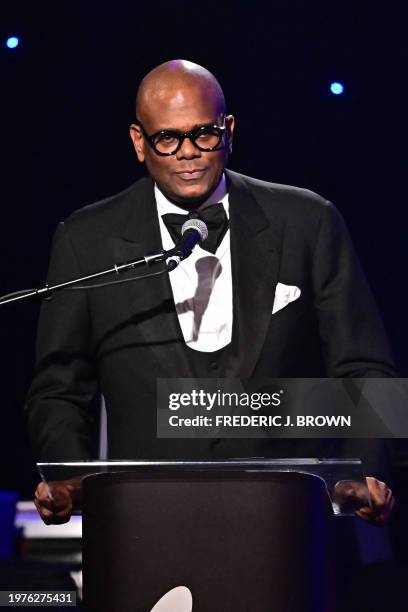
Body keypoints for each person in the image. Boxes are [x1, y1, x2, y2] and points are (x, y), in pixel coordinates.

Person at [26, 59, 396, 526]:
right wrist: (68, 476)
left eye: (204, 134)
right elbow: (58, 388)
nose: (188, 152)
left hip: (290, 523)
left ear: (229, 131)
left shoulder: (308, 221)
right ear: (139, 142)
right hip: (144, 524)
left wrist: (360, 473)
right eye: (168, 138)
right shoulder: (87, 240)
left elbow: (366, 369)